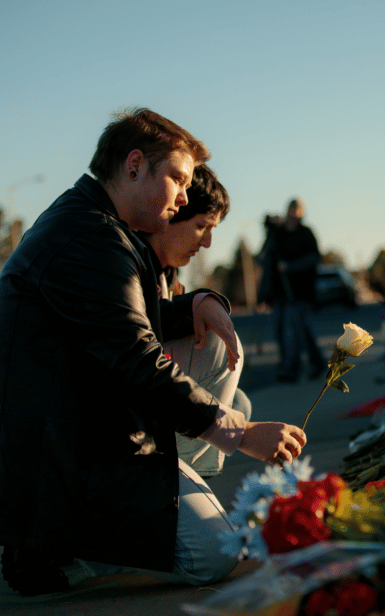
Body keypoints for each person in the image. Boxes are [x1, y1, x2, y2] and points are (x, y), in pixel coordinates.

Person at [0, 108, 306, 596]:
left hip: (87, 432)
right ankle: (56, 556)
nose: (186, 196)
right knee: (218, 554)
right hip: (63, 464)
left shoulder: (98, 226)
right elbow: (134, 357)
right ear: (133, 165)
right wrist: (243, 433)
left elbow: (113, 318)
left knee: (211, 345)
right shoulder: (88, 238)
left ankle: (163, 496)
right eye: (178, 178)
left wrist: (197, 302)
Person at [141, 163, 252, 483]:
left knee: (240, 403)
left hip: (151, 405)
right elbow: (134, 324)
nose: (207, 243)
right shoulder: (130, 261)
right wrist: (195, 304)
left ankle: (193, 476)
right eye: (202, 226)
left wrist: (197, 300)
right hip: (119, 421)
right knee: (220, 348)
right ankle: (182, 481)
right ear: (172, 213)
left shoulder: (166, 271)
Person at [263, 197, 327, 383]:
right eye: (290, 210)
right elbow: (265, 257)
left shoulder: (306, 233)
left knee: (294, 330)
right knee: (289, 330)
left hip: (301, 291)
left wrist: (291, 266)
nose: (293, 215)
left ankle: (292, 369)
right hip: (280, 292)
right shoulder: (278, 234)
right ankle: (317, 363)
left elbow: (314, 258)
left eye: (296, 211)